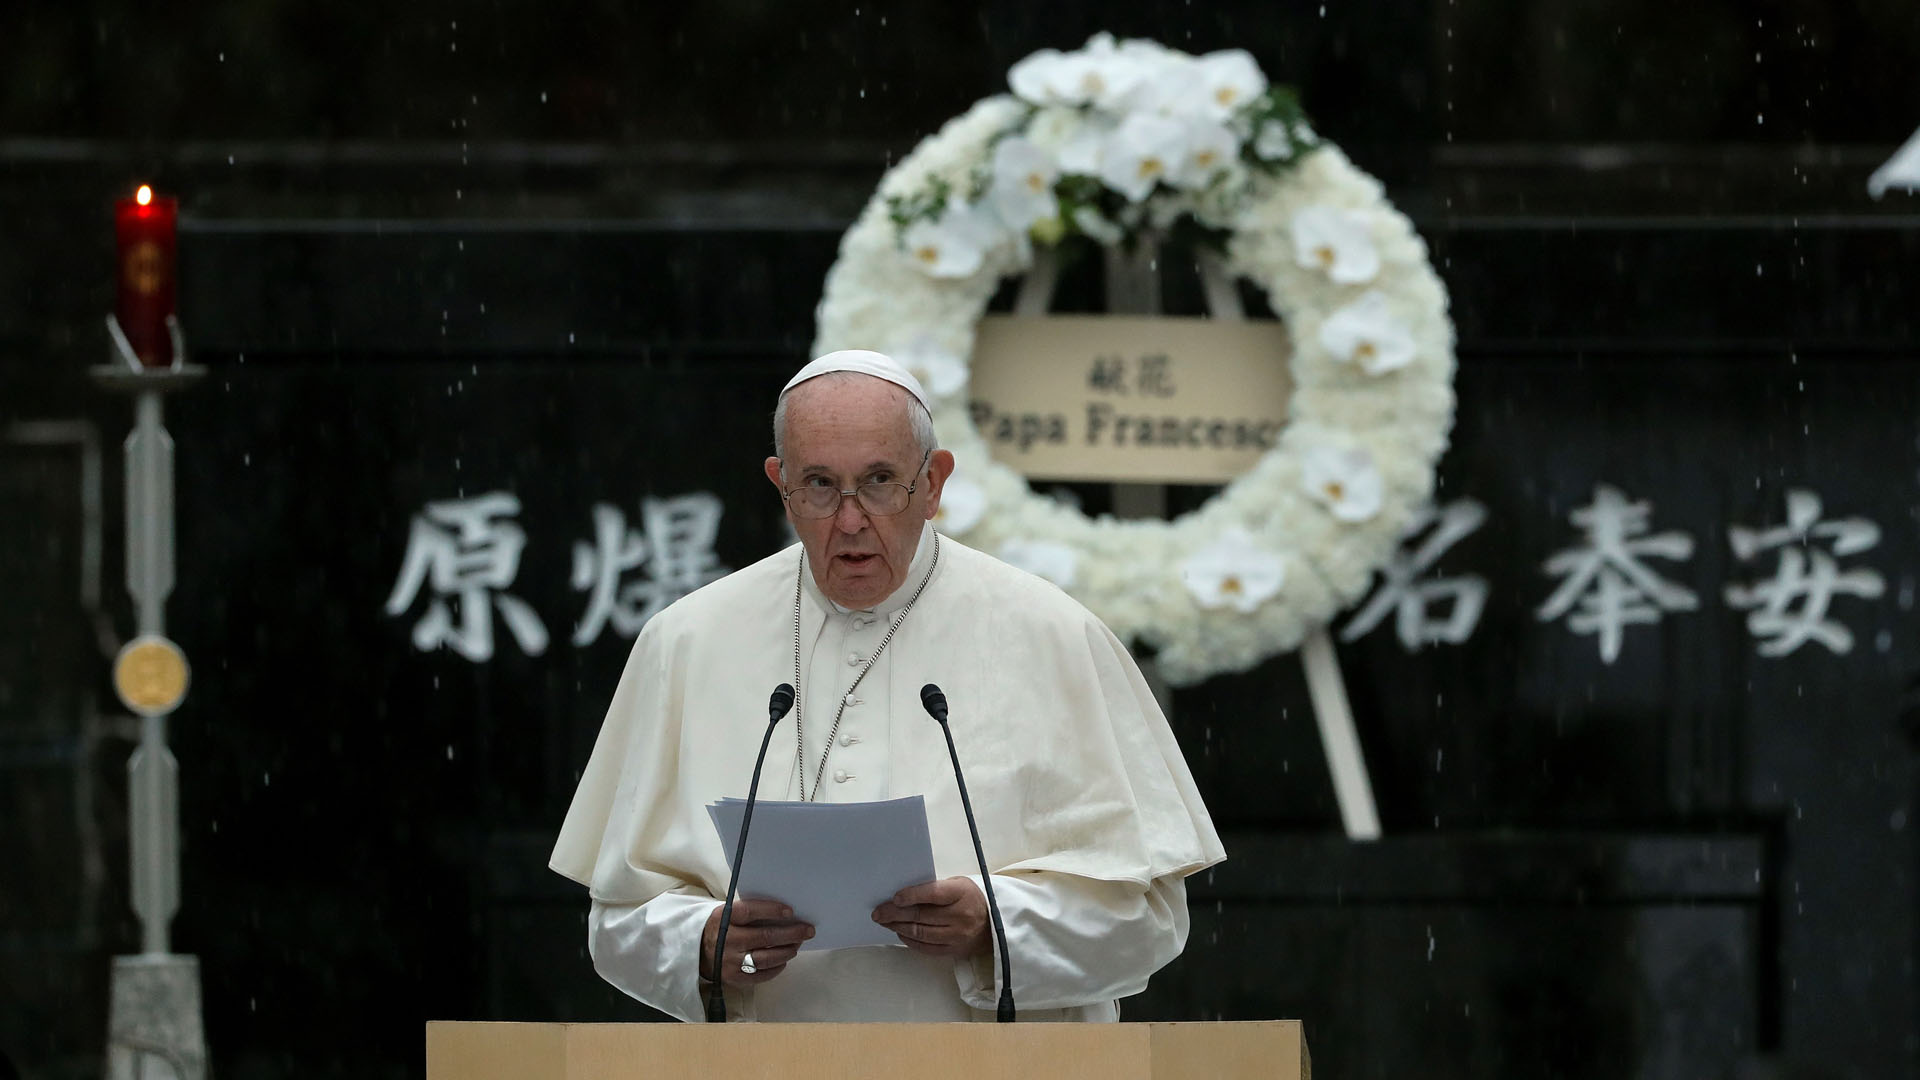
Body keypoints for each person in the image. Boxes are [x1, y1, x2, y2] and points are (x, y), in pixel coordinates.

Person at [550, 349, 1224, 1022]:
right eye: (819, 485)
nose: (850, 521)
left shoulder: (1054, 634)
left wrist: (995, 924)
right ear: (780, 484)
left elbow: (1151, 921)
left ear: (933, 483)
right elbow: (615, 921)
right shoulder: (688, 641)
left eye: (879, 482)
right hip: (769, 1068)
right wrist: (699, 944)